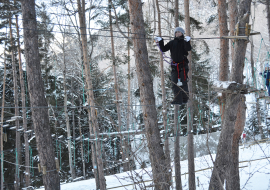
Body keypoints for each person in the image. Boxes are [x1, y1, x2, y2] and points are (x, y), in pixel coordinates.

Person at [155, 27, 192, 105]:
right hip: (175, 66)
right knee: (174, 82)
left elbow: (188, 48)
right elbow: (163, 49)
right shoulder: (172, 42)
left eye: (179, 32)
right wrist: (161, 41)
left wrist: (187, 41)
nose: (177, 33)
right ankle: (178, 99)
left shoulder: (184, 42)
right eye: (176, 32)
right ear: (175, 34)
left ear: (182, 34)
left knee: (183, 82)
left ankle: (185, 98)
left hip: (183, 65)